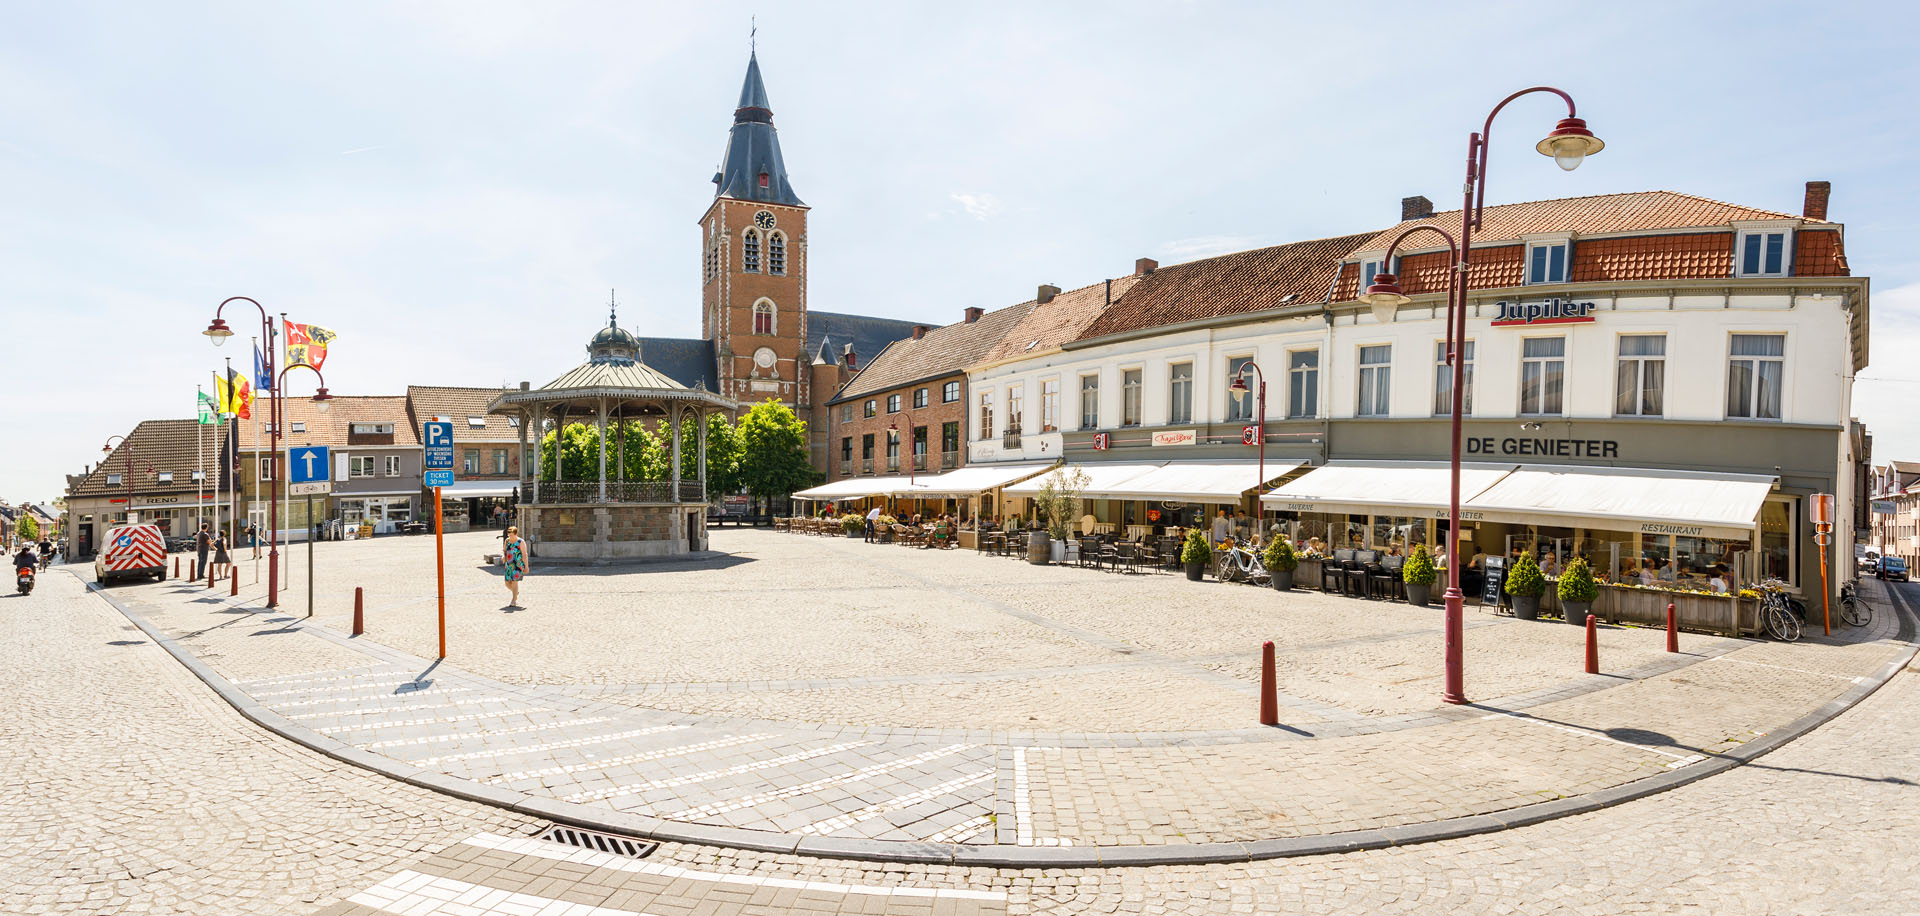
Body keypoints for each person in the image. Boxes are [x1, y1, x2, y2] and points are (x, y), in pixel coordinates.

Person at [501, 525, 529, 608]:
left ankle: (514, 600)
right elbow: (504, 550)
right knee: (507, 583)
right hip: (508, 564)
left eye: (512, 535)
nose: (510, 537)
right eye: (509, 535)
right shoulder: (507, 541)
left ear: (516, 534)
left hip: (518, 565)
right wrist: (503, 556)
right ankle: (515, 592)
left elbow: (524, 554)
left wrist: (526, 566)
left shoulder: (521, 542)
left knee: (514, 581)